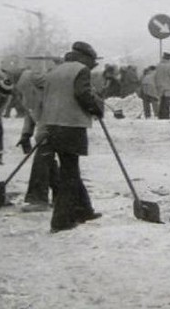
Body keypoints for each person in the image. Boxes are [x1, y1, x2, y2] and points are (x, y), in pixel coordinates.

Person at [39, 41, 104, 233]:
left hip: (53, 125)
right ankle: (61, 221)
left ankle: (84, 210)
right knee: (69, 174)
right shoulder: (80, 70)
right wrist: (95, 108)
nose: (92, 66)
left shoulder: (55, 71)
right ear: (86, 58)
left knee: (70, 168)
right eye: (92, 62)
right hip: (71, 126)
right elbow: (82, 94)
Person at [16, 64, 60, 212]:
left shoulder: (28, 83)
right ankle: (60, 197)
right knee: (47, 160)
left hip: (54, 127)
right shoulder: (27, 89)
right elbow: (31, 111)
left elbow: (45, 113)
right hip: (49, 127)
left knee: (42, 159)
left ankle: (38, 199)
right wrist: (25, 134)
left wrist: (42, 133)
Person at [154, 52, 170, 119]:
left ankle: (161, 115)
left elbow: (155, 75)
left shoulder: (158, 65)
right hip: (168, 86)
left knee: (162, 101)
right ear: (169, 58)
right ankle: (166, 115)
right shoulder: (169, 65)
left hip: (160, 85)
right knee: (167, 102)